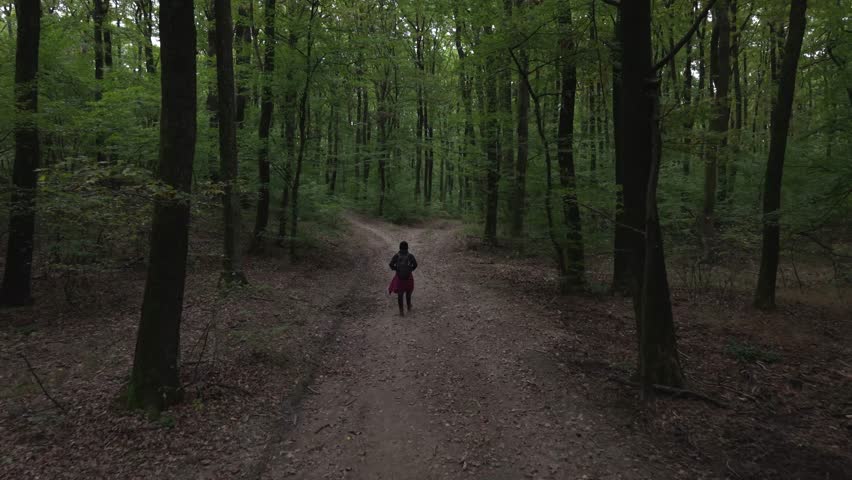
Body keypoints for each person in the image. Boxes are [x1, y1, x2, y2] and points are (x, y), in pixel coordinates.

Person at [388, 241, 417, 316]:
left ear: (399, 248)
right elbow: (415, 264)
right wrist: (411, 269)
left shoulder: (396, 256)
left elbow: (391, 265)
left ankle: (401, 311)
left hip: (399, 277)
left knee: (400, 295)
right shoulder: (410, 256)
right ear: (407, 247)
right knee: (408, 293)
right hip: (408, 277)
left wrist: (396, 269)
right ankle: (409, 307)